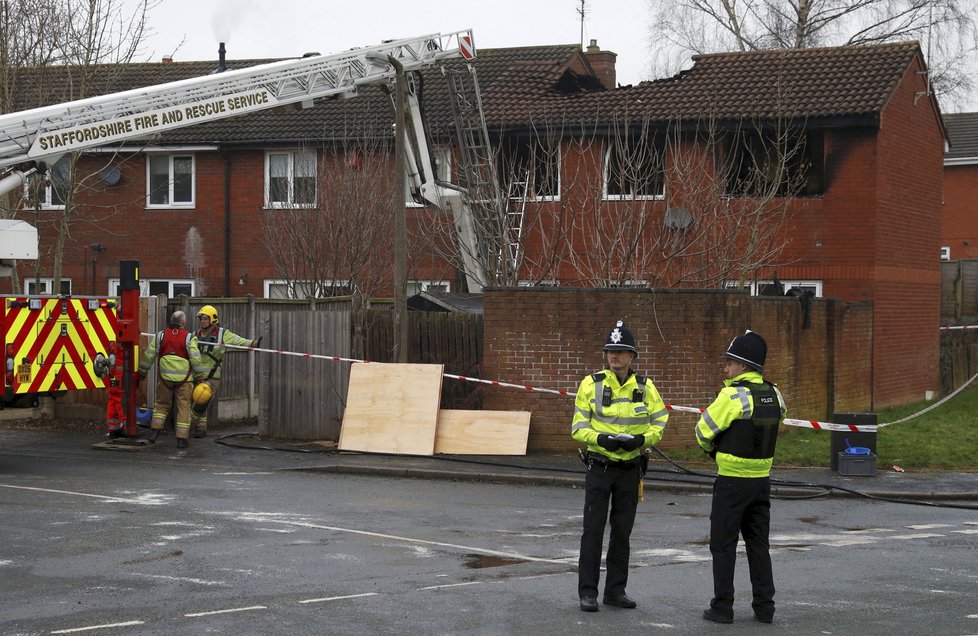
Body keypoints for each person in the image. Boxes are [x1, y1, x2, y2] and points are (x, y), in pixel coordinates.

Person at [571, 320, 668, 612]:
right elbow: (577, 427)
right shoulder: (591, 384)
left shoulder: (645, 386)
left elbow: (660, 422)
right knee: (593, 531)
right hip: (600, 466)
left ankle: (616, 591)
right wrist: (600, 438)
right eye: (610, 351)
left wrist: (641, 439)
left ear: (632, 356)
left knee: (622, 533)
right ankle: (588, 593)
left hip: (630, 468)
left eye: (621, 351)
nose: (614, 356)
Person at [695, 330, 787, 625]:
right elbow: (776, 424)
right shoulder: (775, 395)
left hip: (732, 482)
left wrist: (714, 451)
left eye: (730, 363)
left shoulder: (733, 395)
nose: (726, 369)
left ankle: (722, 608)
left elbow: (703, 432)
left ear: (744, 366)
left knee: (723, 546)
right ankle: (765, 608)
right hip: (762, 481)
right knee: (758, 544)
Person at [190, 305, 261, 438]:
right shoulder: (195, 335)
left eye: (205, 318)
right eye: (201, 318)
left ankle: (191, 425)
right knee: (195, 399)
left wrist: (254, 343)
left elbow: (239, 341)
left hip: (212, 375)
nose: (202, 321)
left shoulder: (222, 334)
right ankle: (200, 428)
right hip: (196, 374)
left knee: (202, 399)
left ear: (212, 319)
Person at [138, 310, 205, 449]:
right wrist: (200, 378)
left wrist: (142, 372)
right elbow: (196, 359)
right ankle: (181, 440)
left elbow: (149, 355)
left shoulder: (160, 336)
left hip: (165, 379)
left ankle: (153, 434)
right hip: (185, 381)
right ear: (183, 323)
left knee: (161, 405)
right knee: (183, 407)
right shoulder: (189, 337)